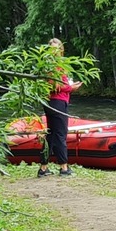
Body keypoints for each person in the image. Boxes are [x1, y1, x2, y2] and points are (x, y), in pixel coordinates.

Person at [39, 38, 77, 178]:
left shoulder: (50, 65)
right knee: (60, 133)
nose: (55, 51)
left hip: (51, 102)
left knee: (51, 134)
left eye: (57, 48)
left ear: (61, 49)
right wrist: (71, 87)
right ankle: (64, 167)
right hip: (57, 102)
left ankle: (43, 168)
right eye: (52, 49)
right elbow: (54, 85)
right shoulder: (53, 66)